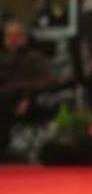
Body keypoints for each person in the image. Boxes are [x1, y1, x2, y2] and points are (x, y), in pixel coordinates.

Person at [0, 20, 54, 154]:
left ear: (23, 38)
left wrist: (27, 96)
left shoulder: (34, 58)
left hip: (28, 98)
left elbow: (46, 81)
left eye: (17, 36)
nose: (13, 40)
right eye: (9, 36)